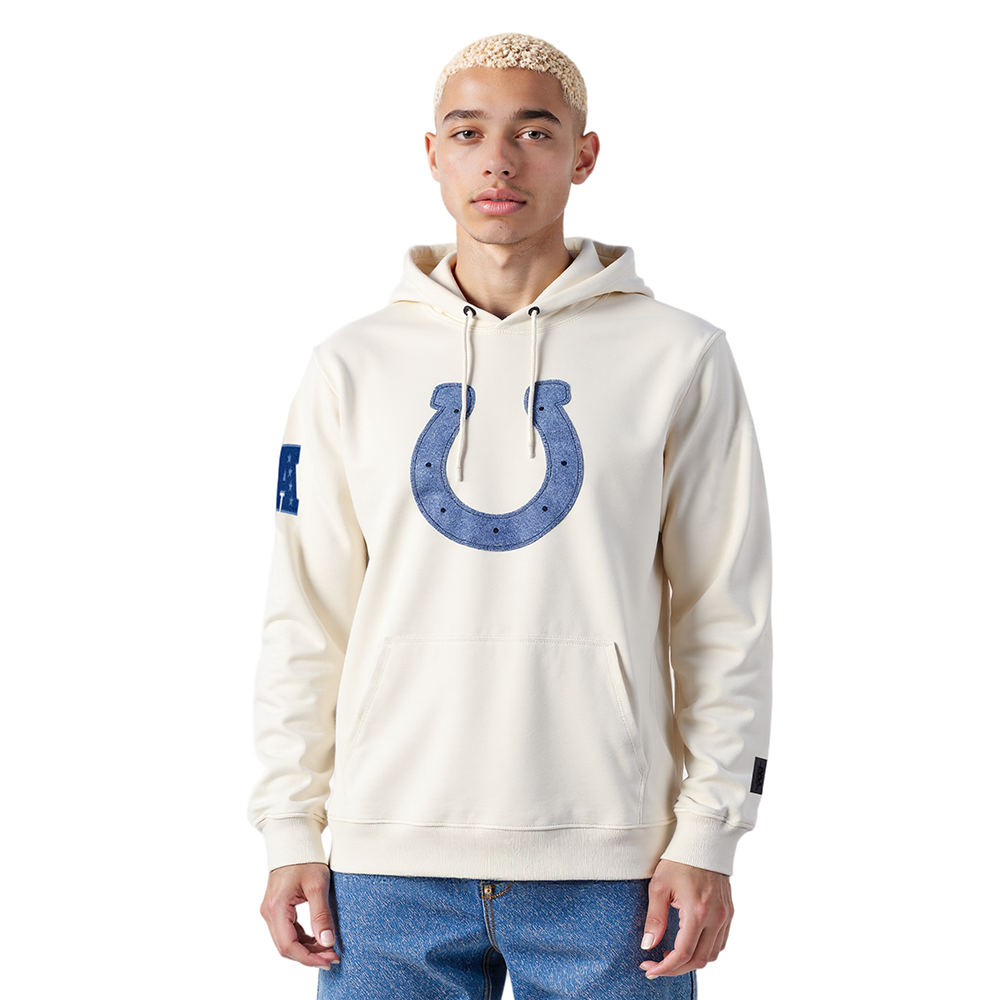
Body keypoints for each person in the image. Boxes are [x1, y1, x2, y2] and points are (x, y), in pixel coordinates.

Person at [249, 32, 772, 999]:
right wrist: (290, 826)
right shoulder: (349, 366)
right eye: (468, 132)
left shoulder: (679, 357)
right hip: (387, 859)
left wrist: (709, 834)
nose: (499, 160)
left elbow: (724, 616)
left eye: (534, 131)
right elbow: (306, 617)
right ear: (432, 155)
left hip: (613, 860)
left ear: (583, 154)